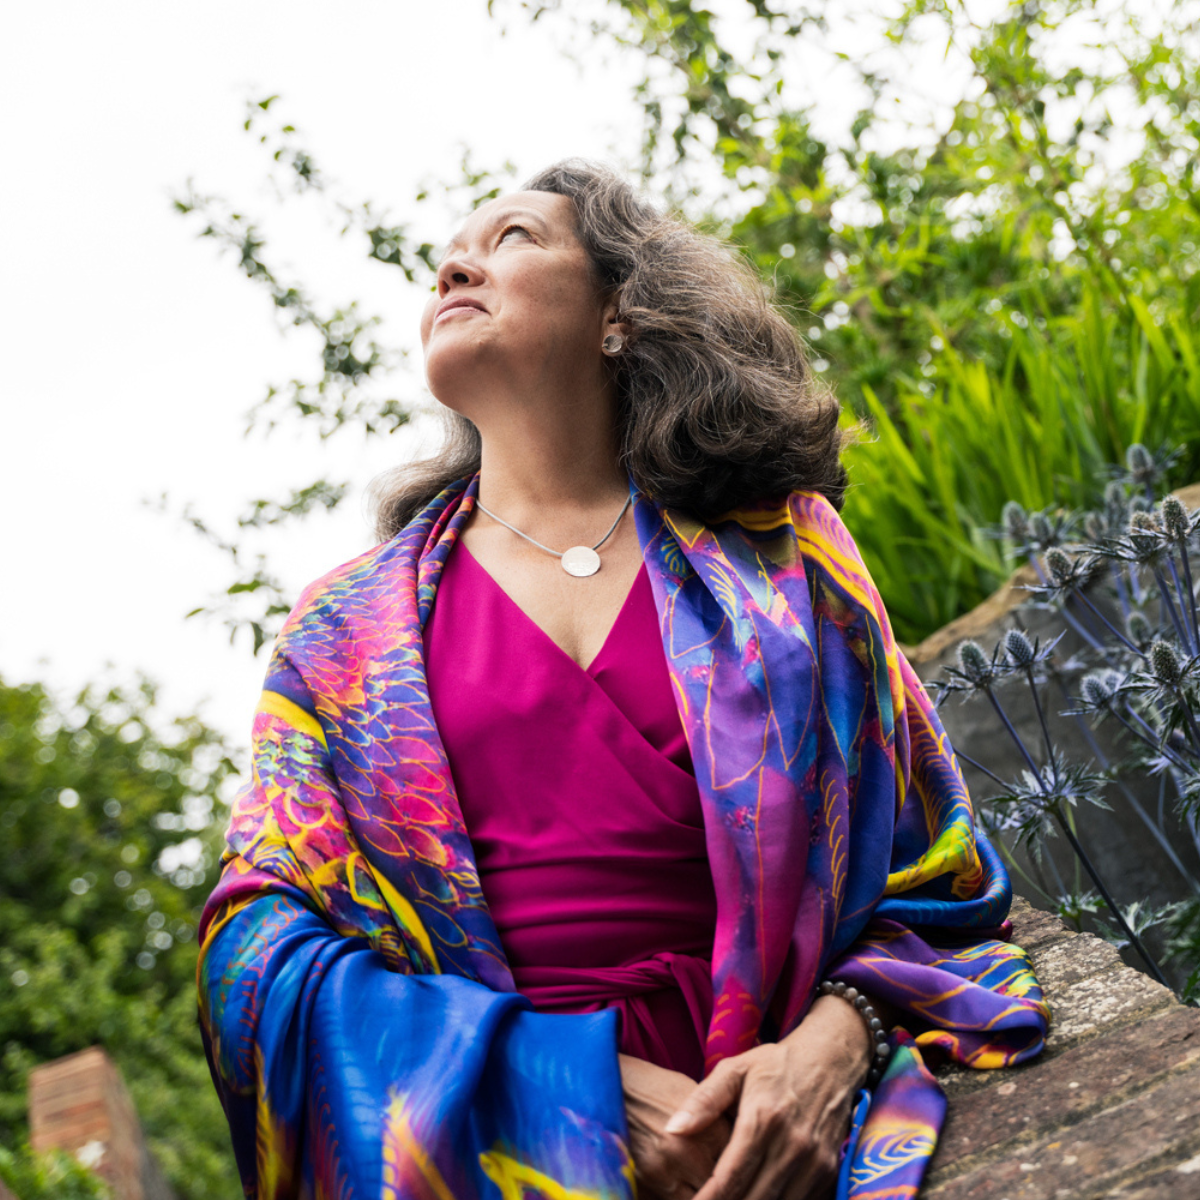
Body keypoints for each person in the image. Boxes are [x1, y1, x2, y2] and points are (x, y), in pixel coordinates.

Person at [196, 159, 1049, 1200]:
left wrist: (830, 1052)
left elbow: (934, 871)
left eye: (512, 236)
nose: (453, 265)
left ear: (618, 312)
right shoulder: (342, 636)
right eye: (446, 257)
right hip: (498, 1154)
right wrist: (576, 1093)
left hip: (779, 1127)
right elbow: (256, 949)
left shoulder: (783, 558)